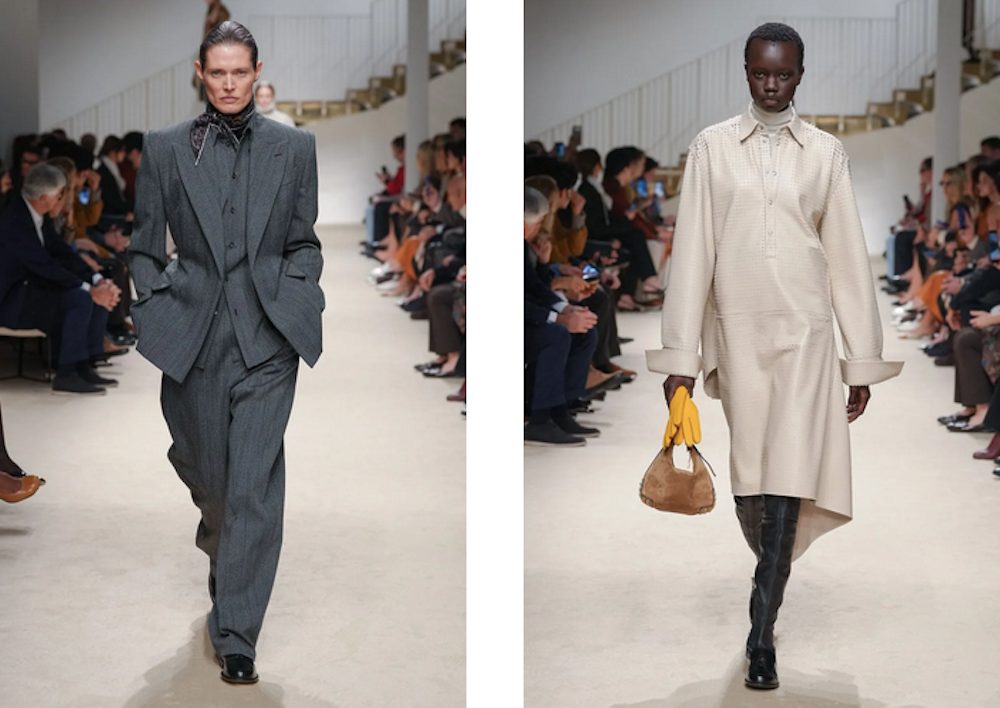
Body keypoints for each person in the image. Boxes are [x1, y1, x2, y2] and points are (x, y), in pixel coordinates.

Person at [647, 22, 903, 690]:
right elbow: (693, 251)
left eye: (783, 74)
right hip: (736, 334)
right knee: (751, 477)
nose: (771, 84)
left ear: (800, 74)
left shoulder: (825, 153)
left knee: (788, 472)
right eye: (761, 73)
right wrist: (680, 356)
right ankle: (772, 571)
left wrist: (861, 357)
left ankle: (761, 634)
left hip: (805, 336)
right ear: (745, 71)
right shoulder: (712, 148)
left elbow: (846, 257)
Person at [128, 20, 323, 685]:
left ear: (257, 72)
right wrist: (156, 306)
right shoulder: (163, 148)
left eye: (241, 72)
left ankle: (238, 634)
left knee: (252, 490)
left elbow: (303, 240)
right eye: (219, 73)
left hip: (268, 339)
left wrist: (299, 295)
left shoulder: (295, 147)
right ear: (201, 73)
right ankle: (224, 551)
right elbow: (144, 246)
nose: (231, 84)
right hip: (192, 336)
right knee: (208, 477)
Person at [0, 163, 121, 394]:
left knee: (91, 292)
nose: (61, 200)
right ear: (44, 198)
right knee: (81, 298)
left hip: (32, 288)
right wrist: (89, 289)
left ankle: (85, 365)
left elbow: (61, 252)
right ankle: (66, 374)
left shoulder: (37, 215)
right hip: (11, 300)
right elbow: (44, 265)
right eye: (59, 195)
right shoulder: (14, 220)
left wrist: (96, 279)